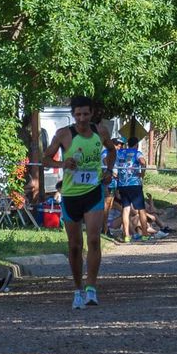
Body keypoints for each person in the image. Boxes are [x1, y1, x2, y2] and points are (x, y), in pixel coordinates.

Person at [40, 96, 115, 309]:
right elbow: (46, 159)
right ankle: (78, 289)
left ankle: (91, 288)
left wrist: (109, 170)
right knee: (74, 246)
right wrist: (63, 162)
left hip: (93, 192)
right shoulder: (64, 134)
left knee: (93, 240)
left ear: (92, 114)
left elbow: (111, 150)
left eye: (85, 114)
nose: (82, 118)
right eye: (78, 114)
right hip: (71, 195)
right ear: (73, 115)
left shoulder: (100, 132)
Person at [111, 135, 148, 242]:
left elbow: (110, 163)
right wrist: (142, 173)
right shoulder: (137, 153)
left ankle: (126, 235)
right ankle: (145, 234)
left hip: (122, 185)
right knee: (141, 209)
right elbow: (143, 162)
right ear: (136, 145)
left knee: (125, 209)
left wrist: (115, 174)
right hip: (134, 184)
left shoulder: (120, 153)